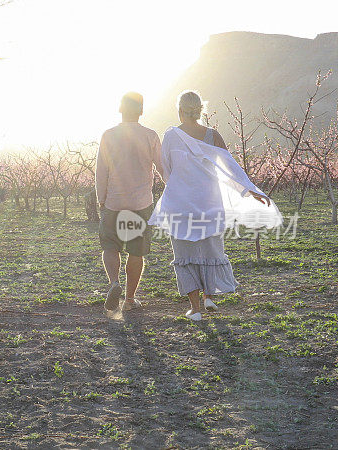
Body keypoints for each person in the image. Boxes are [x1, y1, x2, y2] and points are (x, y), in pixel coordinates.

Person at [149, 91, 282, 321]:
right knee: (211, 250)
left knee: (185, 253)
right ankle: (210, 297)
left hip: (181, 204)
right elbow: (230, 168)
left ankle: (195, 308)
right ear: (201, 110)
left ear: (180, 111)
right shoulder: (213, 135)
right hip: (210, 202)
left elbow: (166, 170)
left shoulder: (171, 135)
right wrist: (251, 190)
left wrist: (181, 184)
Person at [95, 92, 164, 311]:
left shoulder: (108, 135)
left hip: (113, 202)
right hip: (140, 204)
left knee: (110, 247)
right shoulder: (150, 136)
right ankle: (130, 299)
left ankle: (114, 283)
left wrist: (101, 199)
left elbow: (101, 171)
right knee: (136, 251)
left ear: (120, 109)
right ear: (141, 111)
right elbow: (163, 168)